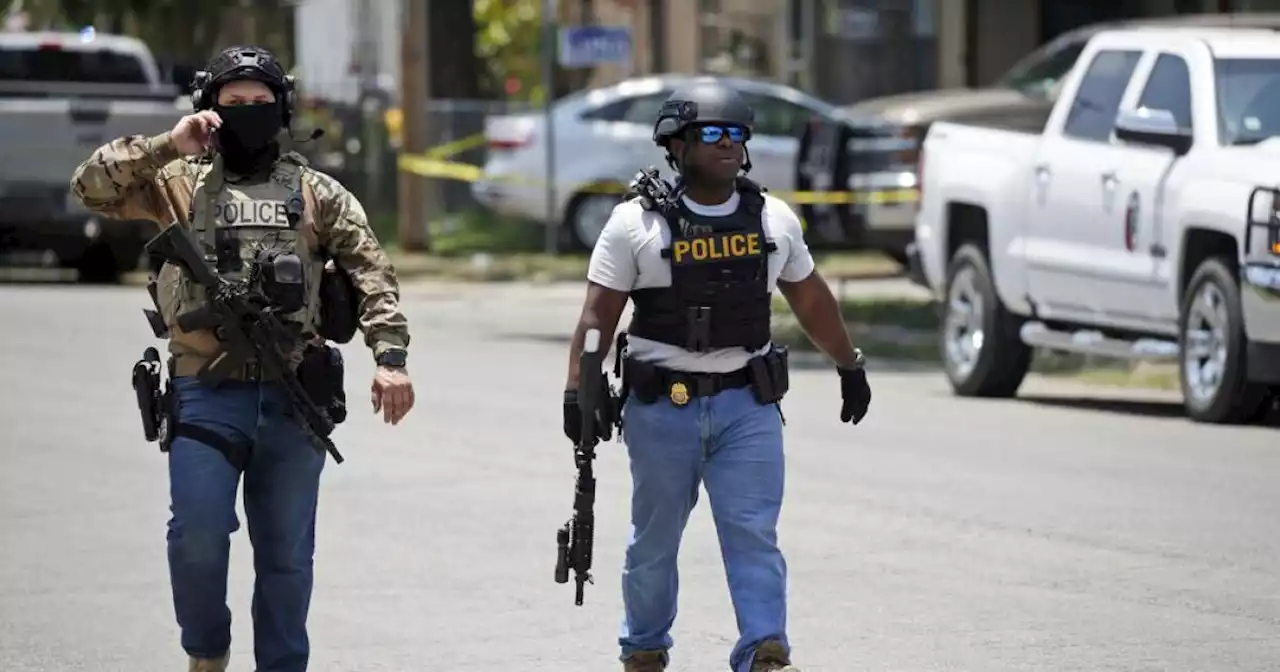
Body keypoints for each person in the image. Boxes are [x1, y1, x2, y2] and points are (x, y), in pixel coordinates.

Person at [70, 45, 415, 672]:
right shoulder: (177, 183)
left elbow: (372, 274)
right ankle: (208, 650)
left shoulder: (317, 193)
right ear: (210, 110)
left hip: (294, 394)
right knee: (196, 538)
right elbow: (90, 186)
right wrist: (167, 144)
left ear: (281, 109)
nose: (249, 113)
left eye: (261, 103)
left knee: (286, 555)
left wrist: (390, 357)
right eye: (234, 104)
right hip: (205, 388)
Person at [562, 80, 873, 672]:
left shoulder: (773, 219)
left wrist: (848, 363)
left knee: (753, 534)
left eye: (737, 134)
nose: (728, 144)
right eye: (712, 133)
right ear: (676, 145)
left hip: (746, 407)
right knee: (652, 546)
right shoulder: (634, 225)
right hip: (661, 409)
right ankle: (645, 648)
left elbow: (810, 300)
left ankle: (764, 651)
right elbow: (597, 317)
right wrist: (580, 389)